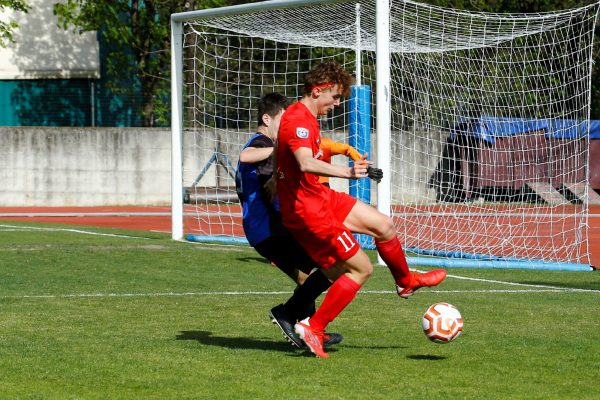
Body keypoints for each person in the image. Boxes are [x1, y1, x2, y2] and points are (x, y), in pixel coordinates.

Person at [275, 62, 447, 358]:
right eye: (336, 97)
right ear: (318, 91)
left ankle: (406, 282)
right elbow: (305, 162)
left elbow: (306, 159)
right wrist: (348, 173)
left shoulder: (308, 118)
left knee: (383, 225)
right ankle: (313, 328)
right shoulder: (297, 120)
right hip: (309, 210)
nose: (338, 103)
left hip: (319, 198)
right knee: (361, 268)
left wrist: (344, 155)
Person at [235, 92, 353, 348]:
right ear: (267, 119)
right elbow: (247, 157)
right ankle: (294, 318)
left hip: (262, 232)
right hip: (270, 230)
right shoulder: (261, 144)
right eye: (283, 119)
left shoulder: (267, 149)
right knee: (336, 262)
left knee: (306, 277)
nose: (289, 125)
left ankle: (306, 330)